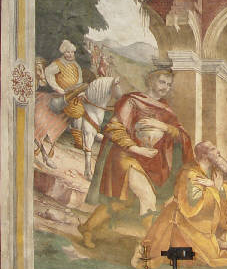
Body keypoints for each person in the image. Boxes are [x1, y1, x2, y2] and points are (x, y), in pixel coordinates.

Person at [79, 68, 193, 248]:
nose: (165, 87)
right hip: (125, 155)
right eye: (162, 82)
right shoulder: (132, 100)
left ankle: (87, 227)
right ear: (150, 80)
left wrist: (162, 125)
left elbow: (182, 136)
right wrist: (136, 149)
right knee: (148, 198)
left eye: (169, 84)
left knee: (121, 202)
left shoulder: (166, 111)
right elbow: (114, 128)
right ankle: (154, 244)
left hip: (149, 161)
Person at [132, 141, 227, 268]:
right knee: (202, 258)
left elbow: (222, 190)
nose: (218, 151)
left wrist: (219, 188)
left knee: (210, 256)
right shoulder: (190, 174)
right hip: (186, 223)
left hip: (205, 223)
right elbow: (193, 205)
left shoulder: (214, 172)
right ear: (204, 155)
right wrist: (214, 188)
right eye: (213, 149)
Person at [34, 40, 87, 167]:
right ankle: (48, 137)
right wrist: (57, 88)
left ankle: (79, 138)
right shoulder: (58, 64)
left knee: (81, 110)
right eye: (67, 52)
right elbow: (48, 73)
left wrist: (80, 92)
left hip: (73, 95)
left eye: (71, 52)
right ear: (63, 52)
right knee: (59, 108)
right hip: (61, 95)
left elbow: (79, 82)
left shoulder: (76, 66)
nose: (69, 54)